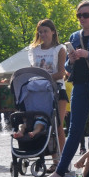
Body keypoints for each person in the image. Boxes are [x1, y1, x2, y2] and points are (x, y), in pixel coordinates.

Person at [40, 0, 89, 177]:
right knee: (75, 130)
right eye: (79, 15)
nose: (82, 18)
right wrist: (72, 60)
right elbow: (67, 67)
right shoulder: (74, 37)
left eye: (86, 15)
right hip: (81, 86)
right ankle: (60, 172)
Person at [28, 19, 67, 153]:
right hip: (40, 91)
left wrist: (44, 77)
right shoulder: (34, 50)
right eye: (40, 32)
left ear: (53, 32)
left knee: (58, 126)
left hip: (57, 90)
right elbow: (32, 69)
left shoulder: (59, 49)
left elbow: (61, 73)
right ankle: (52, 158)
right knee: (43, 124)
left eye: (45, 31)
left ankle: (62, 161)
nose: (43, 34)